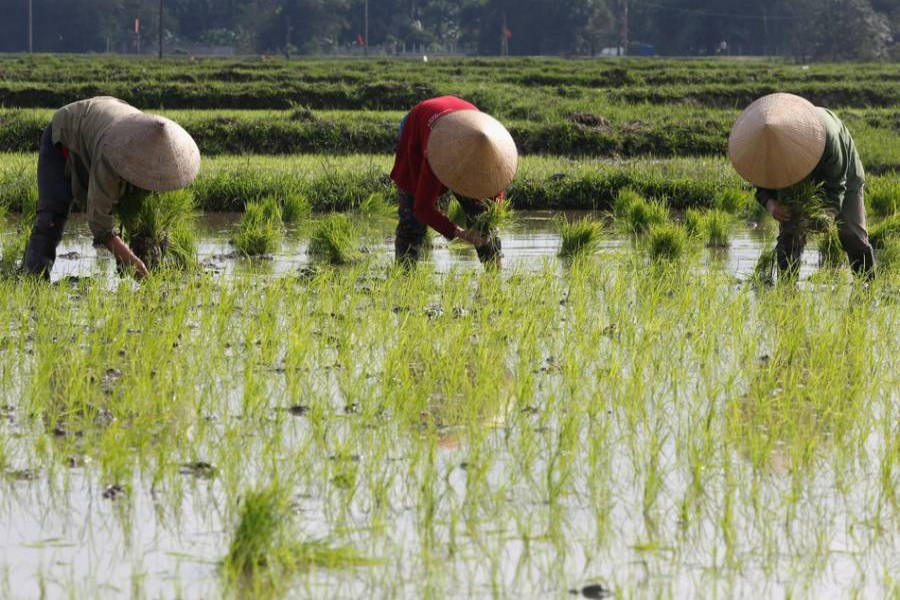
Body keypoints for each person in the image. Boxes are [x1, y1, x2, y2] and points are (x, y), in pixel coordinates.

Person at [23, 96, 201, 280]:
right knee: (52, 215)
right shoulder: (111, 155)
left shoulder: (153, 153)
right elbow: (99, 221)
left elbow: (142, 212)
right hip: (66, 134)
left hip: (104, 118)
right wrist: (131, 261)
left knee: (138, 212)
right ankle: (32, 278)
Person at [728, 92, 874, 280]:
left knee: (852, 234)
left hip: (844, 177)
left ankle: (867, 285)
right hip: (790, 176)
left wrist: (826, 214)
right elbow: (761, 179)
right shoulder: (765, 144)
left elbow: (837, 186)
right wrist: (770, 202)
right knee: (790, 233)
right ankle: (786, 289)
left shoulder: (830, 136)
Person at [389, 95, 518, 267]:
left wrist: (488, 226)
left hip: (467, 123)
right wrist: (461, 233)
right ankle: (403, 278)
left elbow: (495, 197)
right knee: (411, 222)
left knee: (482, 216)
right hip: (417, 122)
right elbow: (422, 208)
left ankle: (495, 276)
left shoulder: (490, 156)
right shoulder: (437, 153)